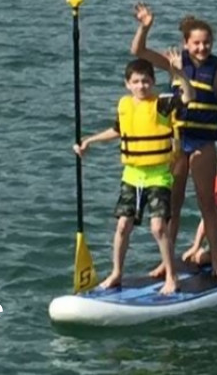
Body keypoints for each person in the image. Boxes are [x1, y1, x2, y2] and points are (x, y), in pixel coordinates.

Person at [130, 2, 217, 279]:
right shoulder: (174, 63)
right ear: (186, 44)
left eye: (207, 43)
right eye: (196, 43)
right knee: (173, 205)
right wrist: (145, 27)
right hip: (177, 142)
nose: (202, 48)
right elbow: (139, 51)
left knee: (207, 204)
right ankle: (167, 263)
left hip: (203, 143)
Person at [72, 55, 194, 295]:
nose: (141, 86)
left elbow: (189, 97)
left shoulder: (162, 103)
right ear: (127, 84)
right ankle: (116, 273)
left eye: (146, 81)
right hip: (132, 175)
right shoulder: (125, 105)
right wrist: (89, 141)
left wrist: (180, 74)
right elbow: (118, 131)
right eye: (136, 82)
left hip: (158, 176)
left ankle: (172, 276)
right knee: (122, 226)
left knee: (158, 228)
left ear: (153, 82)